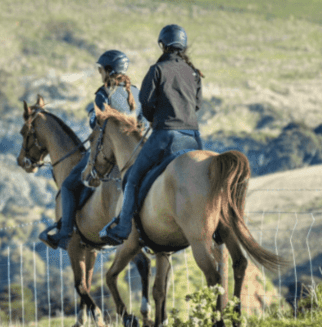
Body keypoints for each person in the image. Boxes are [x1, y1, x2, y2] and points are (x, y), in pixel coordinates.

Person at [99, 24, 204, 246]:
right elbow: (197, 105)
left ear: (162, 45)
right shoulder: (194, 73)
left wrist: (155, 116)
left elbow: (146, 105)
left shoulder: (156, 70)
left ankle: (123, 228)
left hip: (165, 136)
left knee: (132, 176)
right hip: (193, 137)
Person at [41, 50, 143, 249]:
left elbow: (95, 126)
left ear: (108, 70)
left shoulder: (103, 93)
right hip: (133, 153)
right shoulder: (137, 93)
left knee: (69, 186)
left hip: (106, 152)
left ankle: (65, 233)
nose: (100, 74)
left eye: (101, 70)